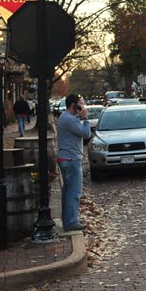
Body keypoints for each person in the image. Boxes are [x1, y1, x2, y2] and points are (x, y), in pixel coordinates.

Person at [56, 94, 90, 232]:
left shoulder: (65, 117)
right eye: (80, 104)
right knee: (74, 192)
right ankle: (71, 221)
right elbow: (86, 133)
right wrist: (85, 118)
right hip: (71, 160)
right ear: (74, 105)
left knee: (68, 191)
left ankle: (68, 220)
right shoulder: (69, 119)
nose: (82, 106)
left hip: (66, 158)